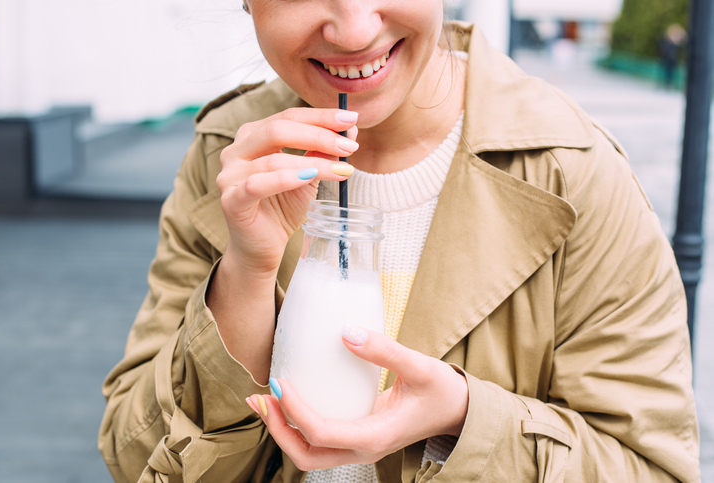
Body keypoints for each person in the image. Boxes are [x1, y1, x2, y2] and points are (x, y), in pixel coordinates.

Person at [98, 2, 701, 482]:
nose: (355, 29)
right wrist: (243, 279)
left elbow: (650, 468)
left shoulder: (574, 171)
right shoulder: (226, 153)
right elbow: (136, 458)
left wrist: (464, 422)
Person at [660, 24, 687, 90]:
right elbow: (666, 51)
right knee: (667, 73)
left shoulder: (677, 44)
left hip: (673, 61)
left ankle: (670, 84)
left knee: (672, 73)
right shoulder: (669, 42)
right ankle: (667, 84)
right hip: (668, 60)